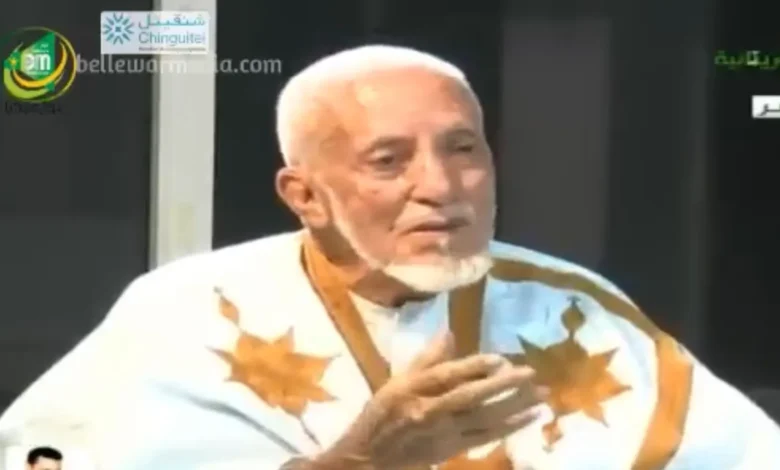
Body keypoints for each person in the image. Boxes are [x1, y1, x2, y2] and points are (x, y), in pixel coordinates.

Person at [0, 45, 778, 469]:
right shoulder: (185, 314)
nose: (440, 187)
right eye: (388, 160)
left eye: (463, 149)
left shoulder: (573, 307)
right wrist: (363, 465)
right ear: (305, 195)